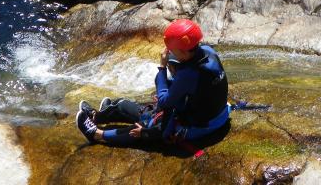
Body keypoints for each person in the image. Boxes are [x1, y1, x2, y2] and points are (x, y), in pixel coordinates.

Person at [75, 19, 230, 147]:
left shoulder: (189, 74)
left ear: (183, 51)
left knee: (145, 127)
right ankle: (102, 115)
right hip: (218, 115)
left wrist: (162, 68)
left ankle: (97, 135)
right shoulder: (209, 51)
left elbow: (164, 101)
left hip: (199, 126)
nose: (169, 54)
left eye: (171, 51)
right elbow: (195, 86)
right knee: (134, 107)